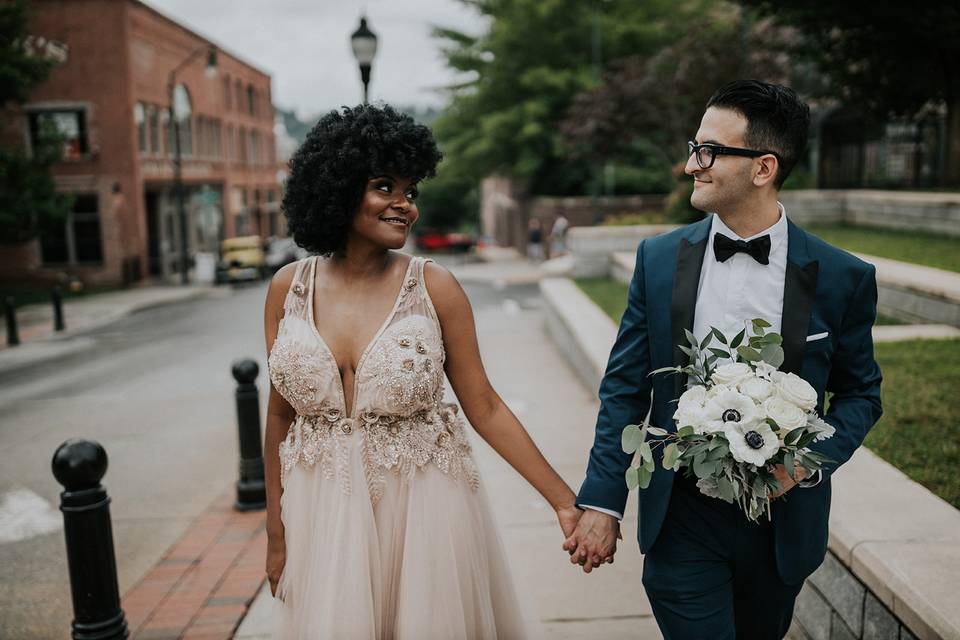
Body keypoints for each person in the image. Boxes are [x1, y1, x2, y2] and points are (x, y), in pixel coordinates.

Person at [563, 80, 883, 639]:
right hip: (680, 516)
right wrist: (603, 502)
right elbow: (625, 389)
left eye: (709, 151)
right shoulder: (658, 260)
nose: (692, 165)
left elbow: (861, 393)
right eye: (695, 147)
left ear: (763, 168)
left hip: (781, 524)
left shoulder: (843, 277)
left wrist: (805, 462)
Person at [263, 104, 581, 638]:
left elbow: (486, 407)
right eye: (384, 186)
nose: (404, 205)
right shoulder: (286, 289)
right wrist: (277, 534)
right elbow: (278, 418)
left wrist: (564, 501)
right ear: (336, 189)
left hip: (422, 513)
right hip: (321, 515)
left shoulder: (434, 288)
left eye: (410, 191)